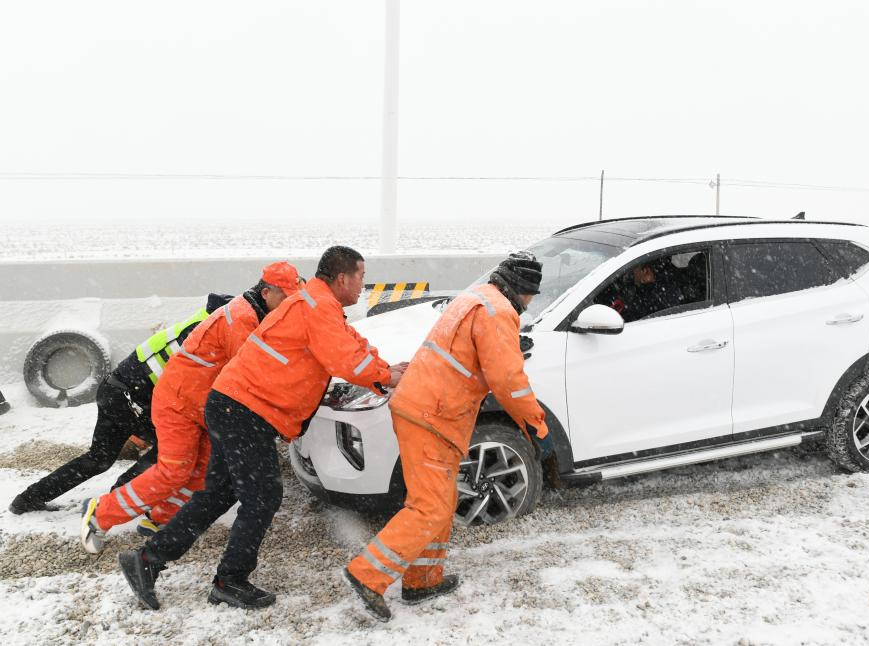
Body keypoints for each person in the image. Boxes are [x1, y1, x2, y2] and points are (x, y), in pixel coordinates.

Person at [118, 246, 406, 611]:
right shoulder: (315, 307)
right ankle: (230, 580)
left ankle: (147, 561)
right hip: (244, 410)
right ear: (343, 277)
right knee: (264, 496)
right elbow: (345, 359)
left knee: (218, 494)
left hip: (233, 405)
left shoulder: (319, 305)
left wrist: (387, 369)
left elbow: (353, 345)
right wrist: (384, 376)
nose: (364, 284)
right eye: (362, 276)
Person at [344, 250, 551, 622]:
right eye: (531, 296)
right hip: (434, 413)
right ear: (521, 290)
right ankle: (367, 575)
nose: (530, 303)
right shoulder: (499, 312)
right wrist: (536, 423)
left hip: (425, 408)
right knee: (431, 506)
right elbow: (508, 382)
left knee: (439, 497)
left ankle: (423, 580)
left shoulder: (475, 299)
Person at [80, 262, 302, 553]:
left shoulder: (254, 314)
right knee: (173, 470)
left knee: (202, 471)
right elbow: (254, 375)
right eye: (287, 297)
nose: (290, 304)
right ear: (266, 291)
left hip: (204, 407)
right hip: (179, 403)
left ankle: (160, 519)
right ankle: (100, 512)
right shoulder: (243, 319)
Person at [8, 294, 230, 515]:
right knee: (173, 451)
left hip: (114, 389)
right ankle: (115, 502)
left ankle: (28, 499)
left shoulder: (203, 320)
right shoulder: (206, 336)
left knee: (99, 458)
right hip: (133, 398)